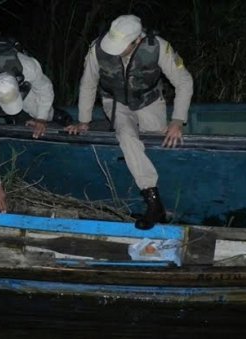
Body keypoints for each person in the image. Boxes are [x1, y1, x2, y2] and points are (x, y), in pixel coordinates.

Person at [65, 15, 193, 230]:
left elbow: (184, 81)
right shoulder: (97, 49)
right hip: (115, 101)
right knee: (126, 135)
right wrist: (83, 121)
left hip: (149, 100)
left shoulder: (158, 47)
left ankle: (108, 127)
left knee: (158, 139)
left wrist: (178, 120)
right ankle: (153, 201)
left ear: (137, 41)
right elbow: (88, 83)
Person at [0, 39, 69, 213]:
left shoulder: (27, 67)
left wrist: (41, 119)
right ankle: (15, 116)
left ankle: (45, 114)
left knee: (43, 111)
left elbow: (45, 87)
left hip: (3, 52)